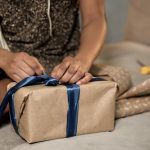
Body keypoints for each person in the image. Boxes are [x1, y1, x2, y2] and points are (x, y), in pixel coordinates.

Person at [0, 0, 106, 116]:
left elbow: (94, 17)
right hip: (10, 67)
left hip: (66, 66)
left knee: (103, 99)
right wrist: (5, 58)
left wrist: (82, 61)